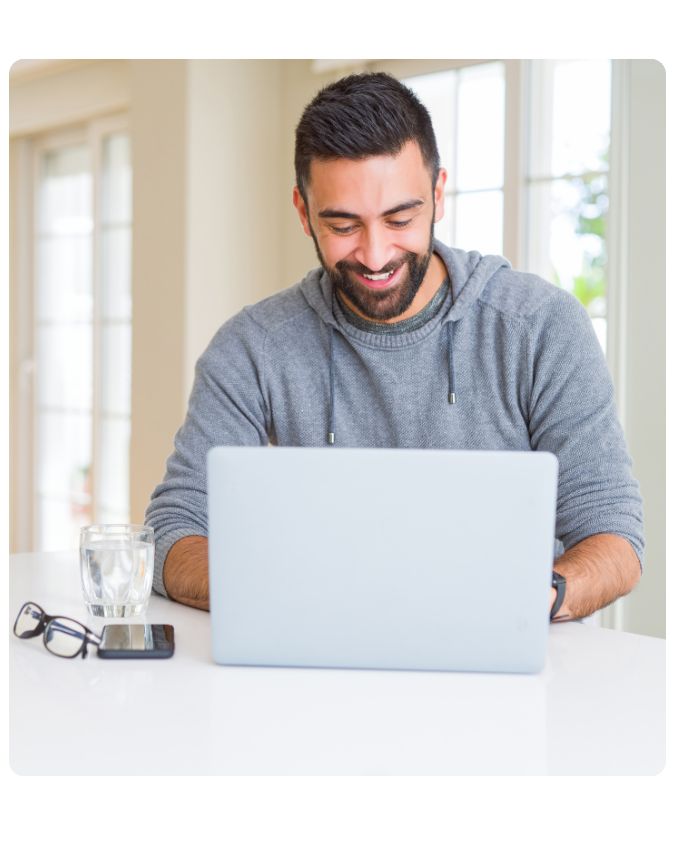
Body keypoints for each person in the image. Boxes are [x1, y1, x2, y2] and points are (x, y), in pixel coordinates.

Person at [145, 72, 643, 620]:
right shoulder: (252, 348)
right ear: (303, 210)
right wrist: (281, 590)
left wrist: (531, 600)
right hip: (316, 647)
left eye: (400, 219)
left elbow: (613, 533)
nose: (376, 254)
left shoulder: (539, 328)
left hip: (502, 656)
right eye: (343, 226)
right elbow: (177, 526)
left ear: (438, 194)